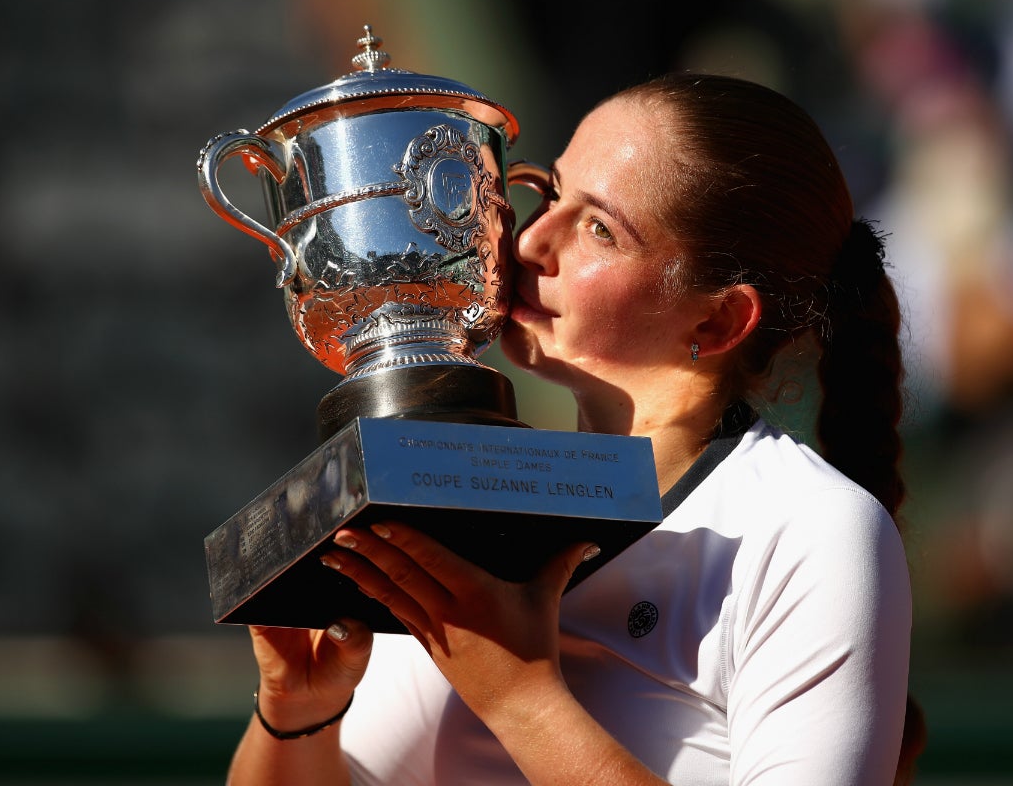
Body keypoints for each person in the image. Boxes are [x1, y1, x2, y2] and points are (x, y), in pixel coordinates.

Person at [226, 73, 923, 785]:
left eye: (599, 229)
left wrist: (520, 695)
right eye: (552, 194)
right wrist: (297, 710)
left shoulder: (809, 527)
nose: (531, 240)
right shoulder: (457, 499)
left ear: (717, 320)